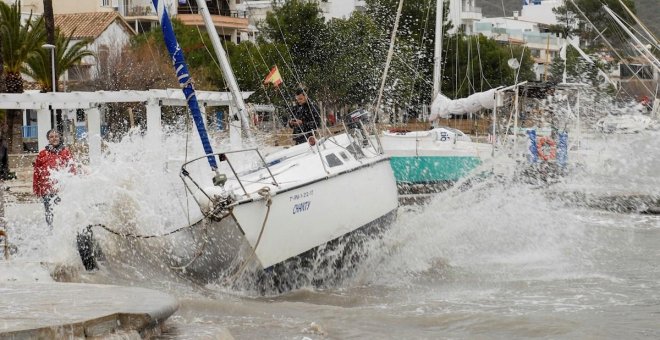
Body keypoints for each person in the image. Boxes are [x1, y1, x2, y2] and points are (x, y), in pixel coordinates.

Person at [33, 129, 74, 228]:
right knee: (48, 212)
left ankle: (62, 229)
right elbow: (36, 171)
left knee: (61, 210)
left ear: (59, 138)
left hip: (61, 189)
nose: (54, 138)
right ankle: (51, 231)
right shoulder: (42, 153)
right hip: (46, 189)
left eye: (56, 136)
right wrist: (36, 188)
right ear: (48, 139)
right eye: (51, 137)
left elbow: (72, 169)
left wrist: (73, 184)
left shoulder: (65, 152)